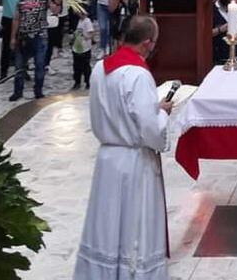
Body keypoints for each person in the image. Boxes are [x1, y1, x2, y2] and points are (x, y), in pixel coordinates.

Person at [74, 15, 172, 280]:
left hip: (107, 158)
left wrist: (152, 111)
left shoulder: (100, 67)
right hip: (134, 162)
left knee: (105, 224)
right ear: (147, 43)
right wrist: (162, 113)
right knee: (134, 226)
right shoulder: (139, 75)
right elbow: (150, 129)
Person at [9, 0, 55, 101]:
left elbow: (55, 10)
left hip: (40, 36)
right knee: (19, 67)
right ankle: (17, 92)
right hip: (23, 37)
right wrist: (13, 37)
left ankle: (38, 91)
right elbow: (16, 19)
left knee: (39, 65)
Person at [0, 0, 26, 77]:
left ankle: (22, 69)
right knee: (6, 46)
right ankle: (3, 72)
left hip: (22, 19)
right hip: (8, 19)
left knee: (22, 46)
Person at [72, 7, 94, 90]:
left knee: (85, 67)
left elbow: (91, 33)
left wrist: (84, 36)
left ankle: (88, 82)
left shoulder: (87, 21)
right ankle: (77, 81)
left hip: (85, 48)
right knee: (76, 66)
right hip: (77, 47)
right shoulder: (79, 21)